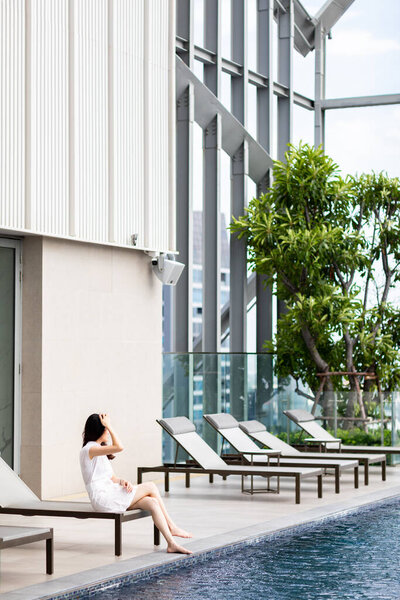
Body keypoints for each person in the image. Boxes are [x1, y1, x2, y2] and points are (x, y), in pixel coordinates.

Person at [80, 413, 192, 554]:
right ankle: (172, 526)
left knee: (152, 502)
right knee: (150, 486)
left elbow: (112, 478)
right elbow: (119, 447)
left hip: (111, 493)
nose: (108, 432)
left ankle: (171, 543)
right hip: (102, 499)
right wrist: (108, 424)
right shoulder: (89, 449)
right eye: (106, 429)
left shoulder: (98, 450)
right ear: (99, 430)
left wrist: (122, 482)